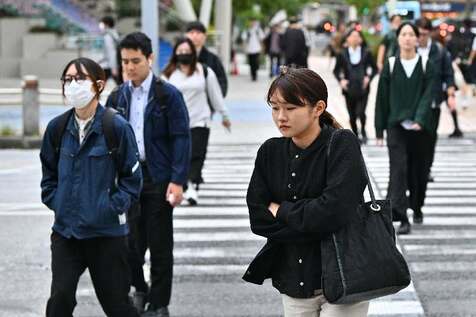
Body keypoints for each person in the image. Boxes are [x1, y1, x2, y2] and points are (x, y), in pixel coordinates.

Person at [244, 66, 368, 316]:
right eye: (275, 107)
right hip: (294, 281)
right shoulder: (270, 152)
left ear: (318, 108)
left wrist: (282, 210)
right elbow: (258, 219)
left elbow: (333, 212)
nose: (281, 117)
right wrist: (313, 221)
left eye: (290, 108)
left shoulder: (342, 145)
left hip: (342, 279)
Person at [40, 57, 142, 317]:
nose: (73, 85)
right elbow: (48, 176)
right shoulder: (57, 128)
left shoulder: (115, 127)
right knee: (59, 301)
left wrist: (110, 207)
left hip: (106, 234)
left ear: (98, 85)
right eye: (68, 79)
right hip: (67, 233)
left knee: (117, 305)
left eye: (80, 79)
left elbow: (132, 180)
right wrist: (59, 201)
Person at [106, 32, 191, 317]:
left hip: (159, 176)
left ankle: (159, 303)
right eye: (124, 61)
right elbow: (107, 139)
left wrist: (178, 181)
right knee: (130, 244)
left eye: (135, 61)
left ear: (150, 59)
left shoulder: (168, 95)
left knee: (160, 245)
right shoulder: (117, 96)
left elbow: (181, 138)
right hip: (128, 178)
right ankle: (139, 289)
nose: (129, 67)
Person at [375, 22, 435, 235]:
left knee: (418, 172)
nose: (408, 38)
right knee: (398, 170)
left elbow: (429, 95)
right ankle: (400, 216)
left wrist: (420, 118)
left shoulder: (427, 64)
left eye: (411, 34)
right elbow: (381, 99)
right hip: (395, 126)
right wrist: (379, 129)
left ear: (417, 39)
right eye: (404, 34)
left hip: (420, 129)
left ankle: (416, 206)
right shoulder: (390, 66)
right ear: (398, 39)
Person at [162, 37, 231, 205]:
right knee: (180, 156)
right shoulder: (168, 74)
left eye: (187, 51)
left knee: (197, 155)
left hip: (200, 120)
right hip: (176, 123)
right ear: (175, 54)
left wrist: (224, 115)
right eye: (181, 51)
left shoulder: (204, 71)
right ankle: (185, 185)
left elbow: (215, 94)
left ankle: (192, 187)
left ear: (193, 53)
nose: (184, 54)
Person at [416, 17, 456, 187]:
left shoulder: (439, 51)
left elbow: (448, 74)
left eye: (424, 34)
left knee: (430, 138)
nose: (420, 38)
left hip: (433, 102)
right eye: (419, 34)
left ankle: (426, 169)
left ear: (430, 33)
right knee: (413, 138)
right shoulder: (407, 49)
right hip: (413, 102)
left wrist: (451, 94)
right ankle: (414, 168)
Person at [333, 29, 377, 144]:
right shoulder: (342, 54)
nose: (354, 38)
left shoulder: (366, 53)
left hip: (363, 88)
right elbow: (336, 70)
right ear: (347, 39)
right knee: (352, 115)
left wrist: (369, 77)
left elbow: (374, 68)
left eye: (357, 36)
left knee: (361, 112)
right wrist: (341, 80)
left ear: (361, 39)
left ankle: (363, 129)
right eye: (352, 36)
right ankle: (356, 134)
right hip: (349, 88)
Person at [186, 21, 228, 97]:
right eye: (191, 33)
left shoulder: (214, 59)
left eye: (198, 33)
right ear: (186, 36)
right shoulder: (177, 58)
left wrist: (215, 100)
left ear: (205, 36)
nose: (194, 36)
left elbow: (222, 82)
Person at [99, 16, 120, 84]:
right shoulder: (114, 33)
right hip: (111, 64)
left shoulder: (108, 36)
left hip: (109, 65)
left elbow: (111, 52)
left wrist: (113, 67)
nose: (101, 25)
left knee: (99, 84)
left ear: (107, 24)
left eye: (102, 24)